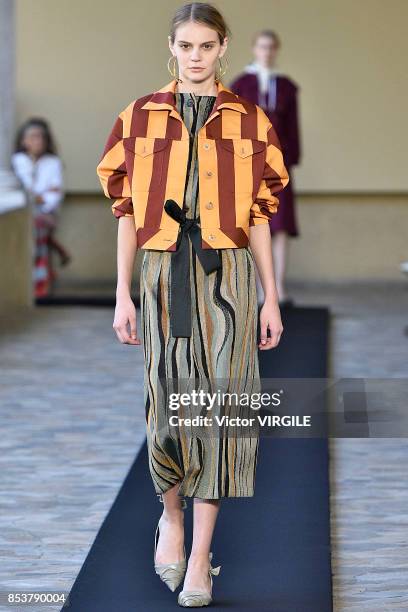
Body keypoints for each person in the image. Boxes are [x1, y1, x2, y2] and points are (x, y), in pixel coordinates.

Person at [96, 2, 289, 607]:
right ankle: (171, 516)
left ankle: (202, 556)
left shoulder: (252, 122)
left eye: (207, 45)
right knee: (166, 408)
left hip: (226, 277)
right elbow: (125, 213)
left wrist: (270, 299)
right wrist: (121, 293)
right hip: (159, 272)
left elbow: (260, 218)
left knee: (221, 413)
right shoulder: (138, 118)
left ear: (224, 48)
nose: (196, 56)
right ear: (172, 48)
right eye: (186, 46)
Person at [229, 29, 301, 307]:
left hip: (279, 166)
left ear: (276, 49)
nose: (266, 51)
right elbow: (232, 126)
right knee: (256, 224)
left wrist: (290, 160)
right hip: (248, 165)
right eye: (262, 46)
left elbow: (293, 130)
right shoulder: (240, 85)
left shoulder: (286, 87)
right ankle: (260, 289)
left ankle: (279, 289)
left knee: (281, 227)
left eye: (271, 46)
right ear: (254, 48)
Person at [12, 118, 70, 298]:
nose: (38, 140)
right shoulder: (18, 160)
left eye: (41, 137)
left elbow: (54, 196)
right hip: (22, 215)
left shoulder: (52, 162)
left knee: (38, 235)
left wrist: (38, 196)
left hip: (45, 214)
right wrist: (39, 194)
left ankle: (41, 285)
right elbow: (26, 190)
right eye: (33, 136)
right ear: (23, 141)